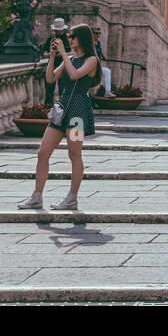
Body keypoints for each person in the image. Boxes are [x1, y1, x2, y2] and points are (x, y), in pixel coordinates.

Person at [19, 23, 101, 211]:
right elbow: (50, 78)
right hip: (62, 109)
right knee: (43, 153)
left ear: (81, 38)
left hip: (78, 114)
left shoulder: (91, 61)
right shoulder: (69, 58)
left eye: (72, 36)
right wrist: (53, 57)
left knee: (74, 153)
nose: (69, 39)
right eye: (68, 36)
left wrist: (64, 54)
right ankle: (37, 197)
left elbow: (74, 76)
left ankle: (72, 198)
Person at [41, 18, 69, 106]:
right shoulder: (51, 38)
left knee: (63, 89)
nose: (59, 32)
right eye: (57, 30)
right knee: (49, 88)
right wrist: (51, 53)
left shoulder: (67, 38)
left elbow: (73, 52)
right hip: (52, 64)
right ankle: (48, 108)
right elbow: (44, 52)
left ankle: (62, 108)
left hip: (63, 65)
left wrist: (62, 54)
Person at [92, 25, 113, 96]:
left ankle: (107, 91)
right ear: (91, 33)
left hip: (97, 66)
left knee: (107, 71)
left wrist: (105, 58)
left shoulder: (98, 42)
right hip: (90, 65)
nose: (98, 35)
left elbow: (100, 51)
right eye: (96, 33)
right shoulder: (90, 43)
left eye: (99, 33)